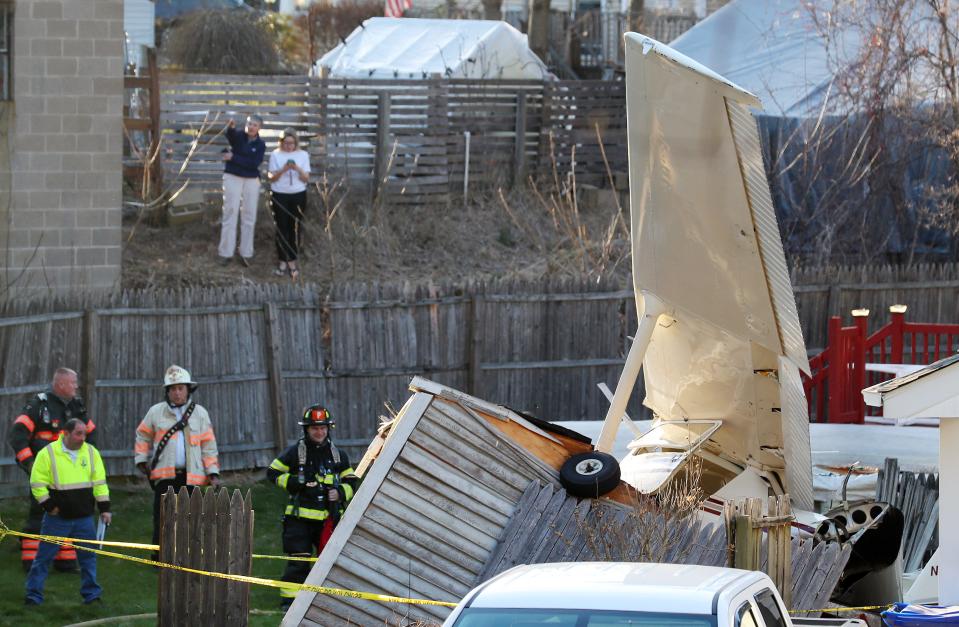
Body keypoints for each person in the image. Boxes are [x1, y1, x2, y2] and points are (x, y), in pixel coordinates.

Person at [266, 405, 358, 608]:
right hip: (299, 520)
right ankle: (290, 604)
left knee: (329, 563)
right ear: (306, 429)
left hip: (328, 520)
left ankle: (327, 602)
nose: (320, 432)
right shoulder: (295, 453)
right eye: (315, 428)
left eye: (323, 427)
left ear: (328, 428)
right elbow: (272, 473)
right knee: (298, 562)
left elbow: (351, 481)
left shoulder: (338, 455)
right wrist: (294, 483)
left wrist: (340, 492)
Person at [8, 367, 96, 572]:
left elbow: (91, 434)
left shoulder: (76, 407)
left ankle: (65, 562)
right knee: (40, 513)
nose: (76, 386)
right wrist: (30, 465)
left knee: (69, 513)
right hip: (44, 473)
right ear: (61, 384)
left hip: (71, 476)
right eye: (73, 382)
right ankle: (31, 562)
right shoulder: (39, 405)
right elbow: (17, 435)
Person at [25, 418, 111, 606]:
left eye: (84, 434)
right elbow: (37, 483)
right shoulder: (48, 453)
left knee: (88, 558)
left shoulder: (91, 452)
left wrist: (105, 509)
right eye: (78, 433)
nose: (83, 438)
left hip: (84, 518)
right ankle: (33, 596)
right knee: (44, 557)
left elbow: (100, 483)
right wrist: (49, 506)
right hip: (57, 518)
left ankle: (92, 596)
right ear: (66, 433)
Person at [134, 365, 221, 547]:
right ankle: (161, 558)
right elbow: (142, 435)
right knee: (163, 518)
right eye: (173, 389)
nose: (177, 393)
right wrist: (141, 459)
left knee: (193, 519)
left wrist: (212, 472)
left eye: (180, 388)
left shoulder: (200, 414)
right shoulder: (155, 412)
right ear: (167, 391)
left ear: (188, 389)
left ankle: (189, 556)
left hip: (193, 477)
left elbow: (209, 445)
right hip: (165, 477)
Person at [219, 114, 266, 267]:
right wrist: (230, 126)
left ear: (259, 128)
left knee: (249, 216)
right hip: (233, 177)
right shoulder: (238, 136)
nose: (251, 127)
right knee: (230, 212)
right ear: (246, 125)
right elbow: (230, 134)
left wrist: (234, 158)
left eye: (255, 125)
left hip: (252, 180)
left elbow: (254, 164)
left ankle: (245, 253)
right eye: (249, 123)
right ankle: (226, 253)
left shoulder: (260, 144)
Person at [267, 128, 310, 281]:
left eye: (291, 143)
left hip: (298, 195)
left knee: (295, 228)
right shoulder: (275, 155)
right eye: (285, 143)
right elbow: (271, 177)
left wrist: (296, 168)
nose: (288, 146)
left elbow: (306, 179)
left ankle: (292, 261)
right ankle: (282, 261)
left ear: (296, 143)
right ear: (281, 143)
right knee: (281, 228)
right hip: (280, 194)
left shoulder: (303, 155)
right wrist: (283, 169)